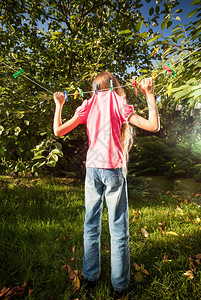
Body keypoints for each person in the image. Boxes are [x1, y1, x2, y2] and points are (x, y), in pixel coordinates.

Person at [53, 71, 160, 299]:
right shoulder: (119, 103)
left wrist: (59, 105)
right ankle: (118, 288)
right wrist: (149, 94)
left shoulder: (88, 104)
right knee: (118, 230)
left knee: (91, 225)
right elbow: (153, 126)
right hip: (113, 170)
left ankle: (90, 279)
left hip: (93, 170)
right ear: (114, 86)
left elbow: (58, 131)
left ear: (94, 87)